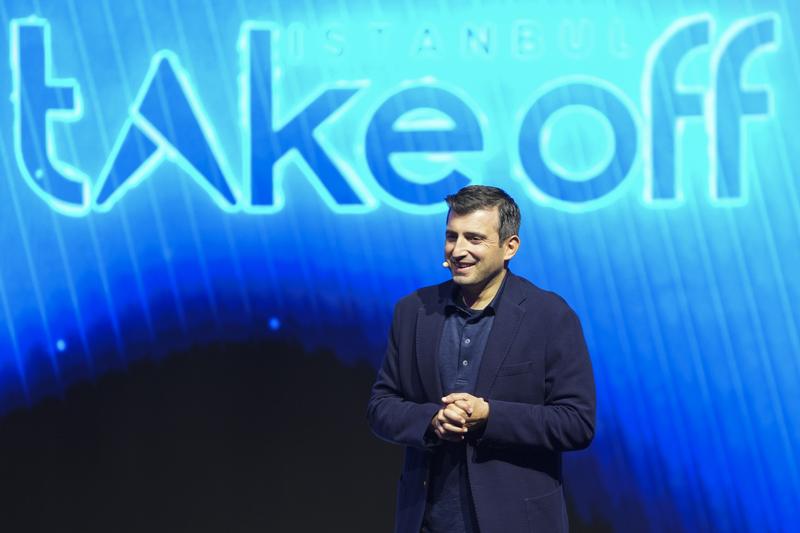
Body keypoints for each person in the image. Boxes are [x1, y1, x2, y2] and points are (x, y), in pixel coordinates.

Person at [367, 185, 596, 533]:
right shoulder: (413, 311)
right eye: (451, 236)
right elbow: (381, 407)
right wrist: (432, 420)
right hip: (427, 521)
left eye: (474, 238)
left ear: (510, 247)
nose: (458, 250)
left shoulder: (550, 316)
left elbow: (576, 423)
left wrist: (490, 416)